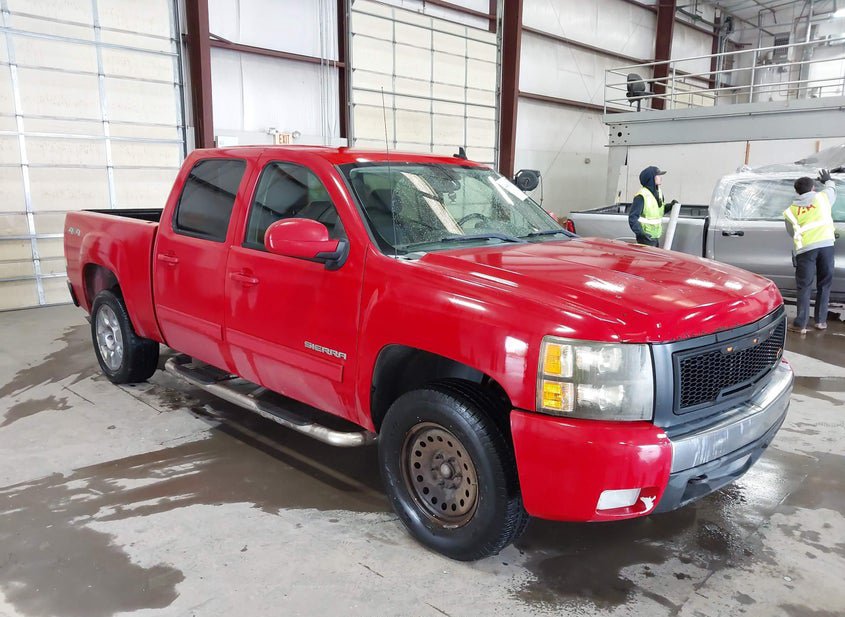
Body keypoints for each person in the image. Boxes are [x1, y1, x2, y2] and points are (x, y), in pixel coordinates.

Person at [783, 169, 836, 334]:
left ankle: (800, 324)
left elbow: (791, 232)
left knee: (804, 287)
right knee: (824, 284)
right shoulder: (822, 198)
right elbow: (831, 189)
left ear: (796, 191)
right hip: (826, 246)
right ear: (813, 188)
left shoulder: (790, 211)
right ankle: (820, 321)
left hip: (805, 250)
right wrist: (827, 180)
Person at [628, 166, 678, 247]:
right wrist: (642, 234)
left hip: (655, 236)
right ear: (651, 178)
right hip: (645, 239)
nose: (661, 178)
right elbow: (632, 218)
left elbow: (659, 211)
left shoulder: (659, 193)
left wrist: (670, 206)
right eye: (658, 175)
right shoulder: (641, 196)